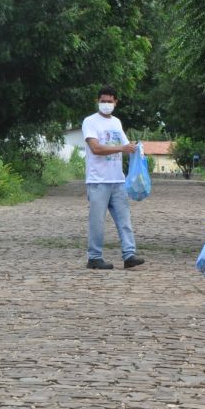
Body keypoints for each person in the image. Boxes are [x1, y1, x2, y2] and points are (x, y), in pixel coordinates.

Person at [82, 85, 145, 270]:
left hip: (118, 180)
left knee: (124, 220)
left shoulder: (117, 122)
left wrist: (135, 148)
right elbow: (96, 148)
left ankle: (129, 255)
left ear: (116, 102)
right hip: (98, 181)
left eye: (109, 101)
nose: (106, 104)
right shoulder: (90, 122)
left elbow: (126, 145)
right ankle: (94, 257)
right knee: (97, 222)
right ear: (97, 101)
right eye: (103, 101)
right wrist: (122, 148)